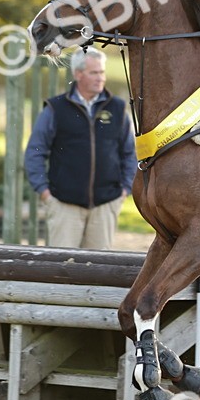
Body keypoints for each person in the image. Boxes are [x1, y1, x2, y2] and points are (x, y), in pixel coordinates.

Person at [24, 47, 137, 249]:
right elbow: (35, 151)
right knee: (62, 269)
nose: (100, 77)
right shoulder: (55, 108)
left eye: (102, 72)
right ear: (78, 74)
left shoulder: (118, 108)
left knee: (98, 271)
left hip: (106, 205)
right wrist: (44, 192)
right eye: (94, 72)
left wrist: (125, 189)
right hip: (63, 206)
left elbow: (129, 153)